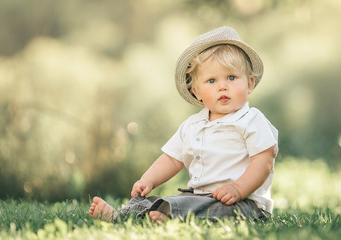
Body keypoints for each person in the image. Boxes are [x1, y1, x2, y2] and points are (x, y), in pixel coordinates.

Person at [89, 26, 278, 223]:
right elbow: (171, 159)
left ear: (249, 83)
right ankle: (124, 216)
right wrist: (148, 179)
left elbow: (263, 161)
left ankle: (170, 217)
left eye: (231, 77)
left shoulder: (251, 119)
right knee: (160, 201)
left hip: (244, 204)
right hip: (198, 197)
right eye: (212, 80)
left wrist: (239, 189)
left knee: (190, 206)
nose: (223, 86)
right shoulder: (193, 125)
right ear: (196, 91)